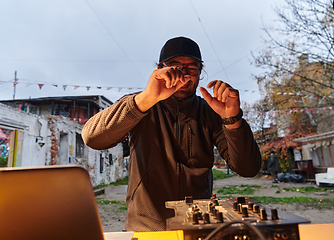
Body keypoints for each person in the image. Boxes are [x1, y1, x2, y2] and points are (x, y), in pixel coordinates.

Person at [82, 36, 261, 231]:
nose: (184, 74)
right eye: (175, 67)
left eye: (191, 68)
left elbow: (248, 168)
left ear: (200, 73)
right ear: (159, 70)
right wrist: (145, 99)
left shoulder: (211, 113)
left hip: (198, 227)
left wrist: (233, 119)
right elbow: (92, 138)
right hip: (146, 228)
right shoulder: (141, 105)